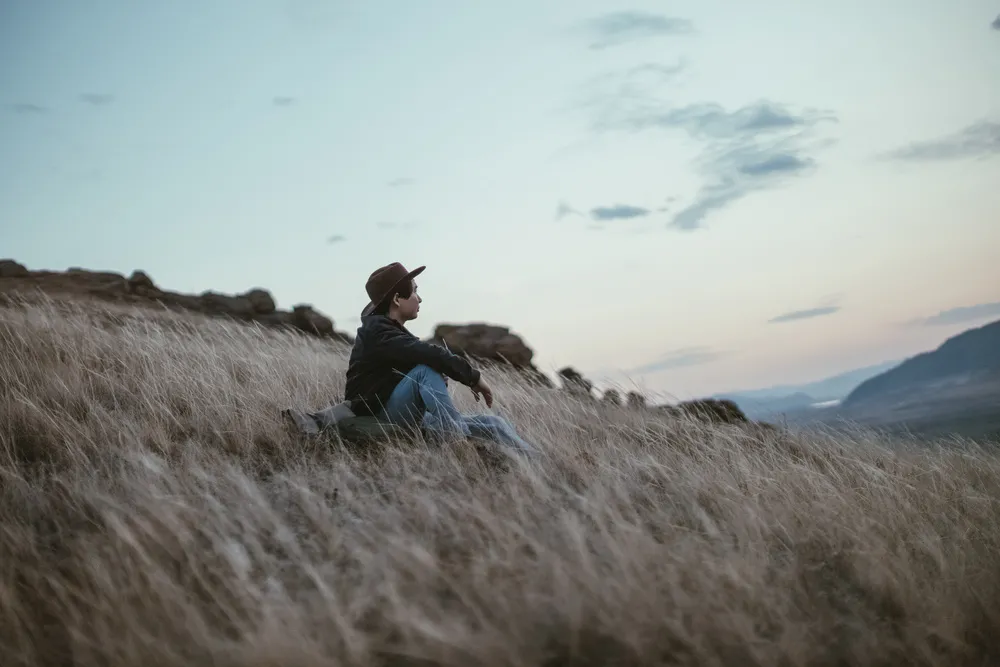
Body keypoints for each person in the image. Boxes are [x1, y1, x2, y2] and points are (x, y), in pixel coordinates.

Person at [343, 262, 537, 455]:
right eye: (415, 292)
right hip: (376, 417)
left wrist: (434, 379)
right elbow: (430, 354)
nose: (420, 299)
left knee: (494, 423)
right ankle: (457, 440)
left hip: (398, 411)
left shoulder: (390, 333)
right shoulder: (377, 332)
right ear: (396, 299)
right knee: (425, 371)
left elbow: (398, 369)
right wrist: (473, 377)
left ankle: (535, 463)